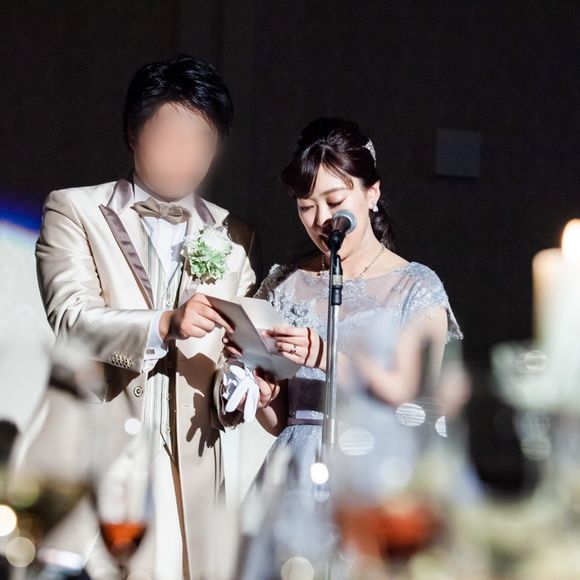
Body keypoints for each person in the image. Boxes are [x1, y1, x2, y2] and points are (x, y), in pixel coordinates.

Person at [27, 54, 274, 580]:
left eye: (201, 141)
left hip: (194, 474)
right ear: (133, 133)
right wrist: (163, 324)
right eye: (171, 137)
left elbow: (240, 347)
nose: (186, 155)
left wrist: (241, 383)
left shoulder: (235, 234)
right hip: (102, 461)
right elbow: (71, 320)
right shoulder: (74, 210)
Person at [224, 117, 463, 577]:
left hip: (375, 474)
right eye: (306, 206)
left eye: (335, 201)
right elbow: (284, 421)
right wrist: (264, 393)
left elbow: (419, 405)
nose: (321, 220)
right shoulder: (285, 284)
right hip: (295, 476)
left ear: (372, 193)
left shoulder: (416, 287)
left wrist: (325, 356)